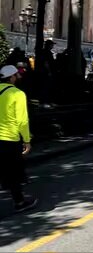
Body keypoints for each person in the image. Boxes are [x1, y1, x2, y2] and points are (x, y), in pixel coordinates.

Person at [0, 65, 38, 212]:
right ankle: (20, 202)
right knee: (13, 172)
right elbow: (22, 120)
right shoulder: (17, 94)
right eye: (18, 74)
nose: (20, 76)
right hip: (9, 138)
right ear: (12, 77)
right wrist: (27, 140)